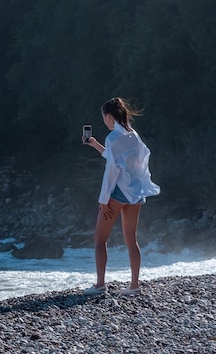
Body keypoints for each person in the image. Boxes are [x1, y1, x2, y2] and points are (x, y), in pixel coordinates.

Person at [82, 97, 160, 296]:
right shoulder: (133, 135)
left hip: (117, 193)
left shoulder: (113, 138)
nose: (104, 122)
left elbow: (111, 171)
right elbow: (120, 159)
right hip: (135, 193)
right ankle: (134, 285)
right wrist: (95, 144)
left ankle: (100, 285)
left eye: (104, 118)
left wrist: (103, 199)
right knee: (131, 240)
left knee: (100, 239)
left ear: (109, 116)